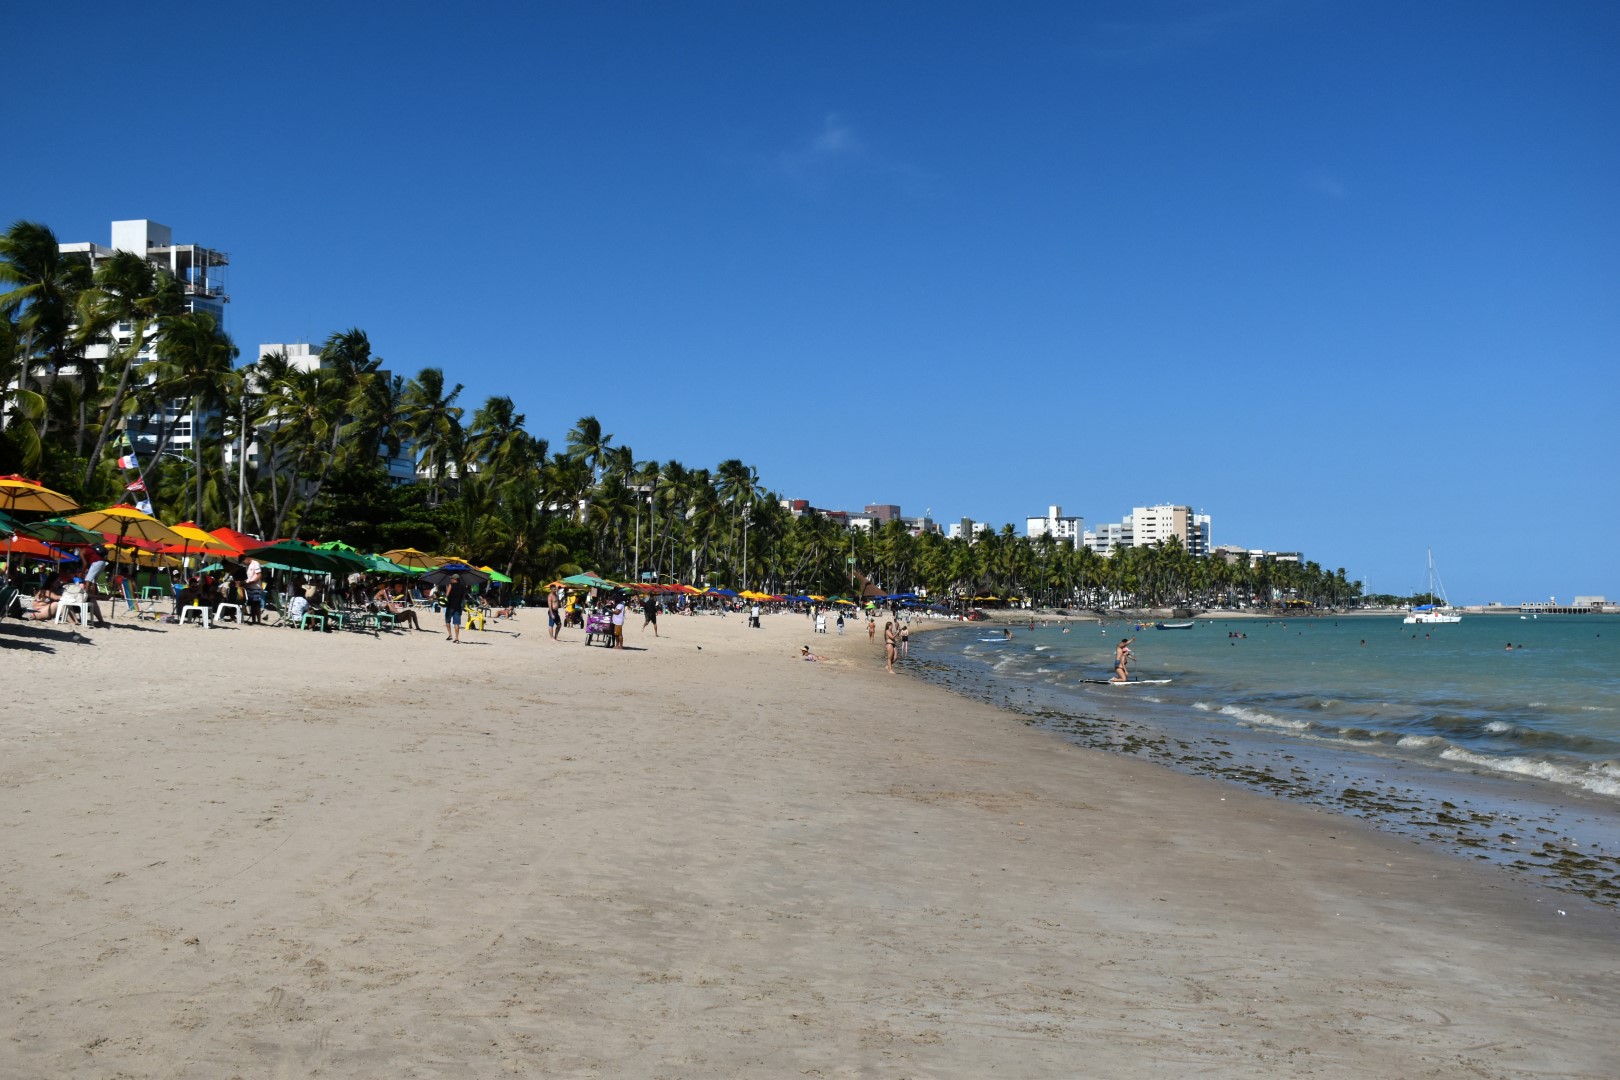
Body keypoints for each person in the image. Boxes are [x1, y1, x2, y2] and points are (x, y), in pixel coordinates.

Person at [443, 573, 468, 642]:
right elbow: (463, 597)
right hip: (458, 606)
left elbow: (447, 595)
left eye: (451, 578)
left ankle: (450, 635)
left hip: (450, 605)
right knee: (456, 623)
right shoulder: (463, 586)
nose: (450, 579)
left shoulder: (450, 585)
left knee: (447, 620)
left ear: (454, 579)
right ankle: (457, 638)